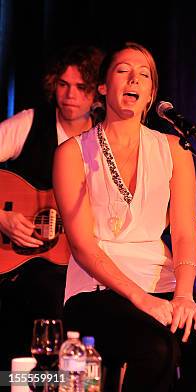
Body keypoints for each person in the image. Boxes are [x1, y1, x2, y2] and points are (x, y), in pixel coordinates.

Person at [53, 42, 196, 391]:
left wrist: (184, 295)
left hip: (163, 284)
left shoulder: (173, 148)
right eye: (123, 70)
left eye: (144, 75)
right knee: (155, 349)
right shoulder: (73, 152)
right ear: (104, 86)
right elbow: (82, 246)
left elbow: (184, 232)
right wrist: (141, 300)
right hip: (98, 288)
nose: (134, 79)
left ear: (152, 93)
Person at [0, 45, 104, 369]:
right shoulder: (30, 123)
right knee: (45, 295)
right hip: (22, 269)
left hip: (84, 262)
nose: (70, 95)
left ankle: (76, 384)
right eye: (63, 84)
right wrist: (1, 217)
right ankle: (18, 383)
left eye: (81, 87)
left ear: (97, 94)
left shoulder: (105, 141)